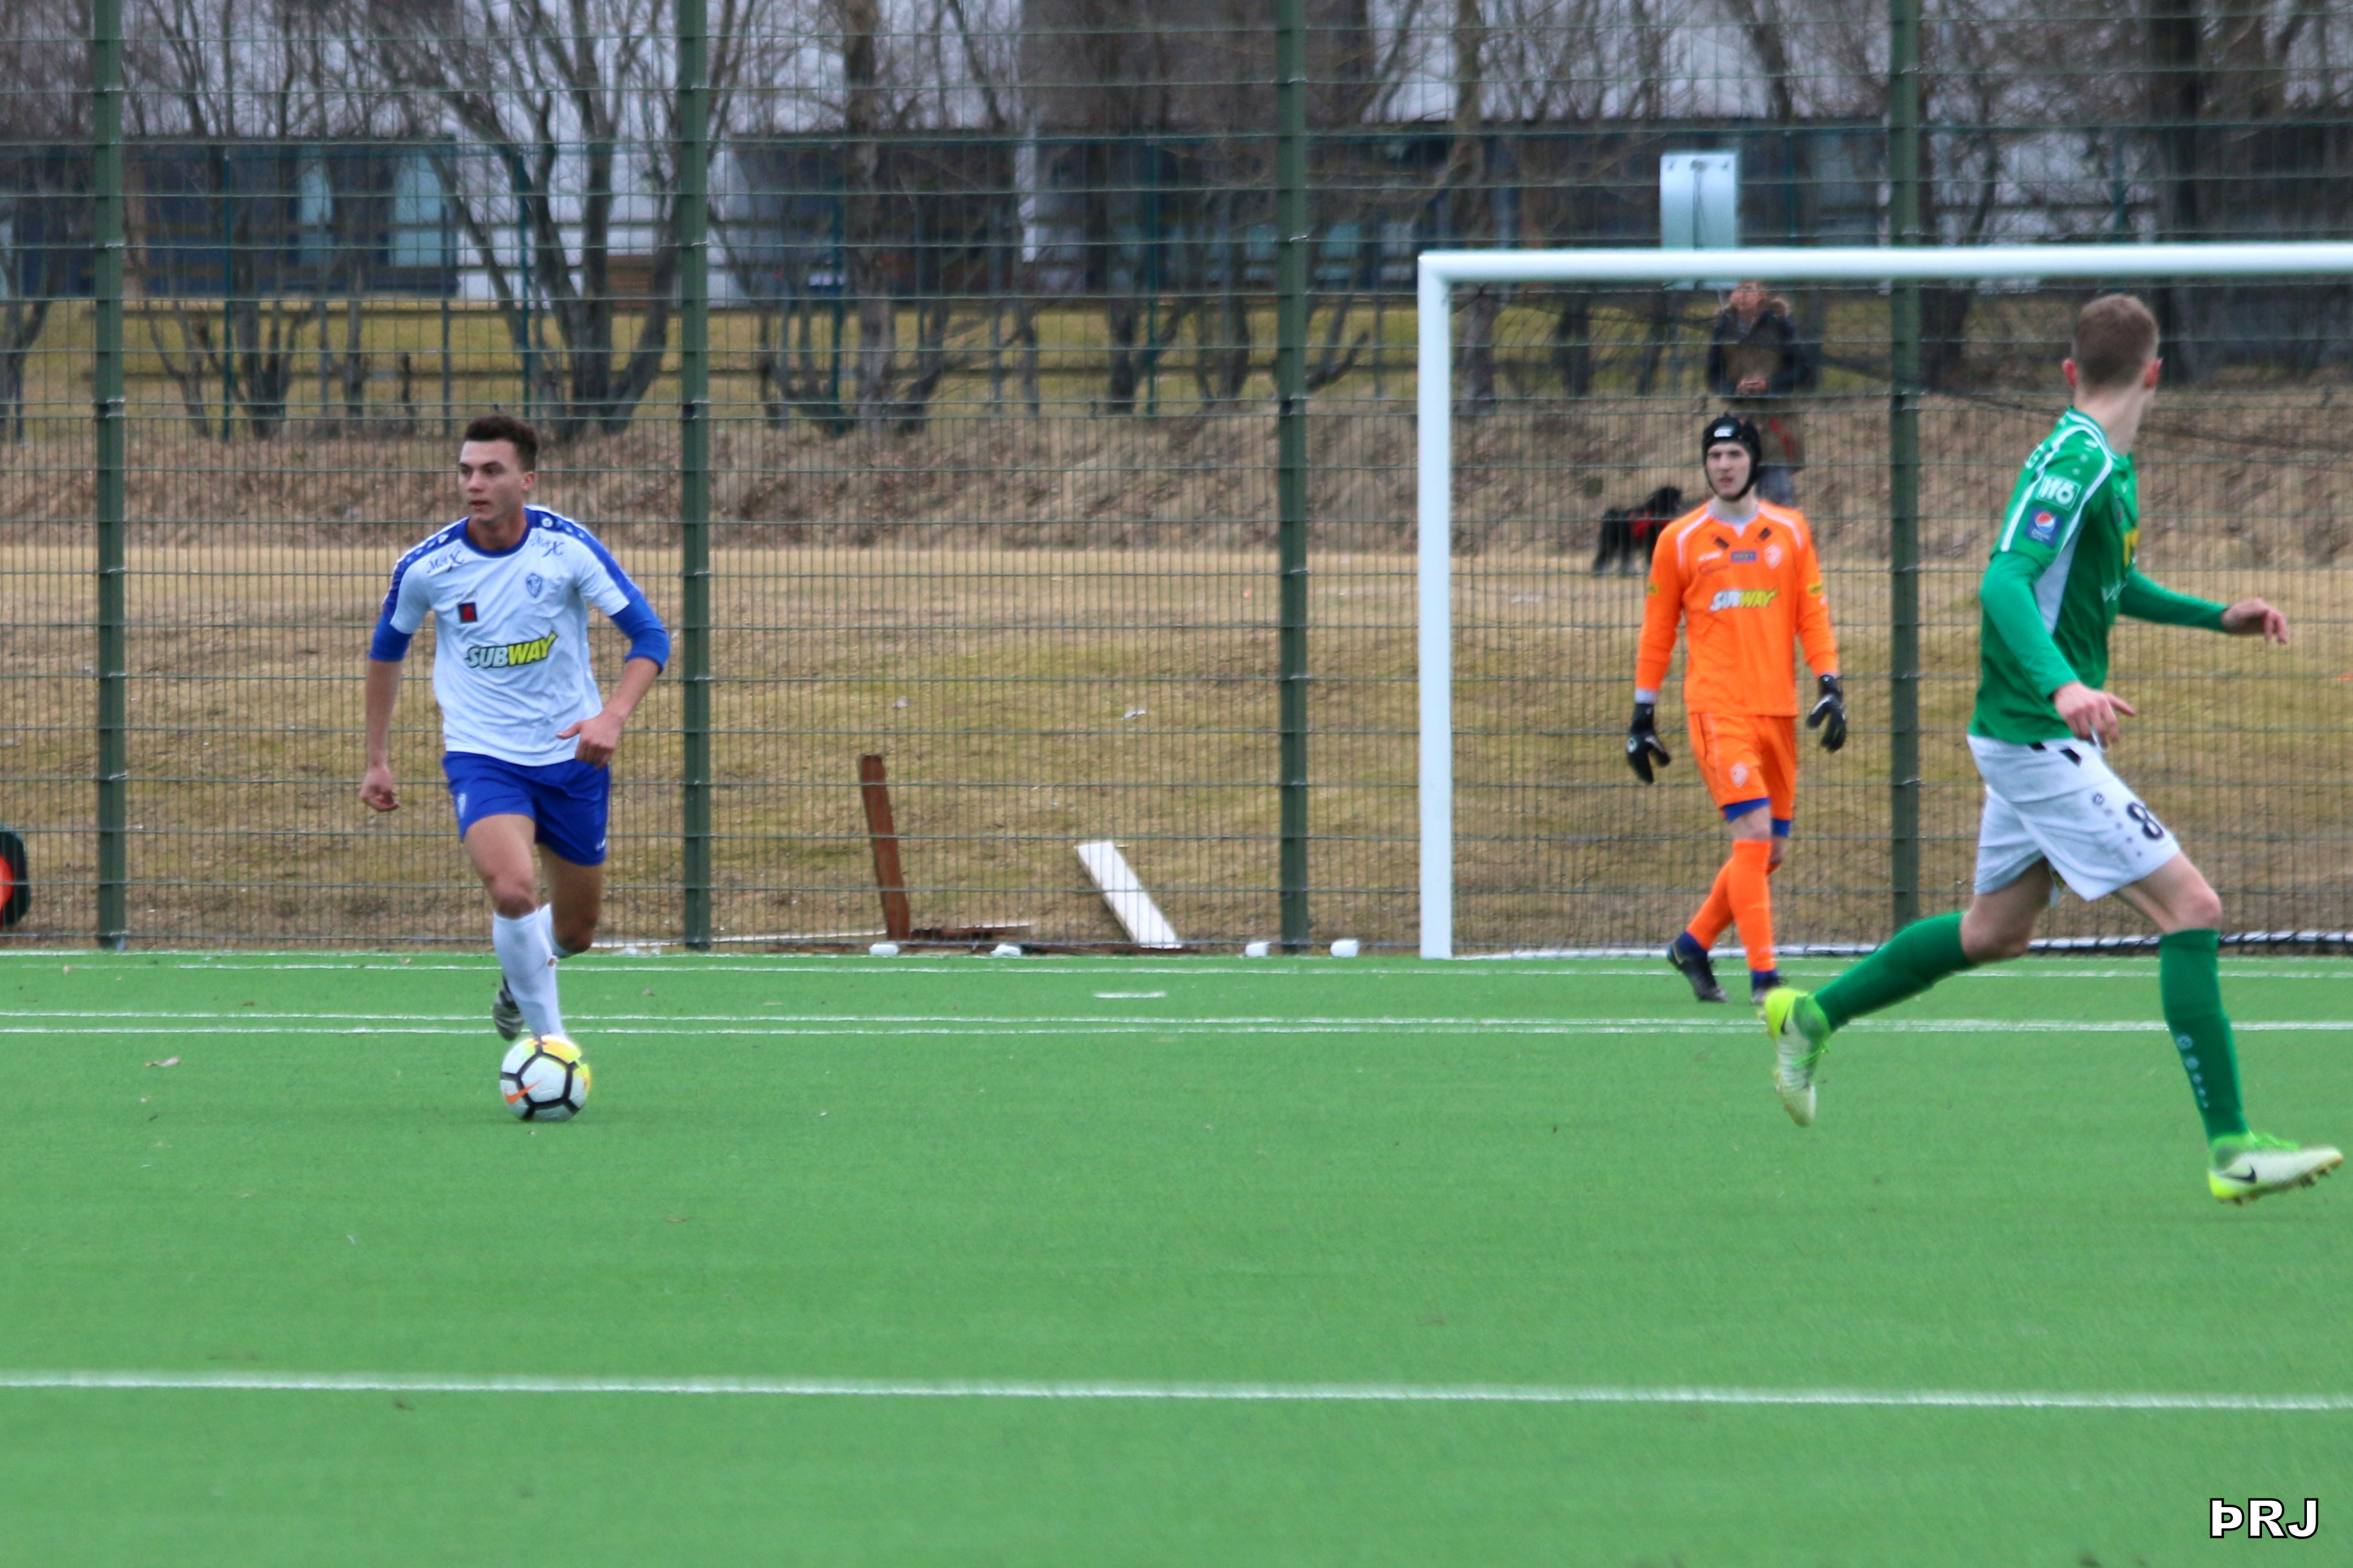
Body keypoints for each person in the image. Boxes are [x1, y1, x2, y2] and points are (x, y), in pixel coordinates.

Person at [1761, 295, 2340, 1206]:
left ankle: (1810, 1015)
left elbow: (2108, 582)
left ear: (2071, 370)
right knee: (2191, 908)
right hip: (2036, 733)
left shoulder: (2105, 462)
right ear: (2156, 372)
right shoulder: (2076, 461)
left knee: (1993, 932)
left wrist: (2213, 616)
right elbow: (2004, 580)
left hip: (2022, 731)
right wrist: (2063, 686)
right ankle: (2232, 1147)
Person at [360, 413, 669, 1048]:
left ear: (526, 480)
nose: (474, 483)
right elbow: (386, 652)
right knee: (511, 888)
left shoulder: (567, 549)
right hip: (483, 755)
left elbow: (650, 637)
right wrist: (377, 758)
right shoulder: (428, 566)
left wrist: (611, 716)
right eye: (466, 471)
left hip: (572, 756)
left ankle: (520, 973)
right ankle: (550, 1045)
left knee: (577, 932)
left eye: (491, 471)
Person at [1628, 415, 1846, 1007]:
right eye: (1715, 455)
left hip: (1777, 709)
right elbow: (1657, 632)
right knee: (1751, 836)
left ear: (1754, 461)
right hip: (1717, 709)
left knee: (1771, 851)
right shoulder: (1680, 539)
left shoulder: (1791, 530)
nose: (1723, 465)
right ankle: (1765, 977)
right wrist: (1643, 714)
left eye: (1734, 454)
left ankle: (1692, 945)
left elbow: (1811, 614)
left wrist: (1830, 682)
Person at [1707, 280, 1811, 505]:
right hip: (1740, 419)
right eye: (1738, 289)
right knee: (1740, 496)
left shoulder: (1780, 323)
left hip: (1777, 420)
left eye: (1749, 289)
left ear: (1762, 294)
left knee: (1778, 493)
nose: (1742, 295)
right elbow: (1714, 374)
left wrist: (1770, 385)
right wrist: (1734, 389)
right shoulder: (1724, 326)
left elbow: (1802, 369)